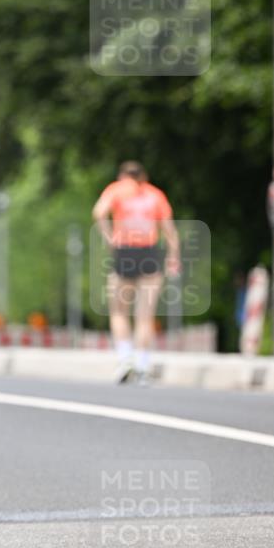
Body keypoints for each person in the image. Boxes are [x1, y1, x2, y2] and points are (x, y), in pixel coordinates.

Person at [91, 161, 180, 384]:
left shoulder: (117, 190)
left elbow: (99, 212)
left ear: (123, 175)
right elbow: (170, 231)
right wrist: (173, 258)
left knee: (119, 311)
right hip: (149, 252)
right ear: (144, 176)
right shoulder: (155, 195)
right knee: (145, 315)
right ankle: (142, 366)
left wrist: (109, 238)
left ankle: (124, 360)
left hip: (125, 251)